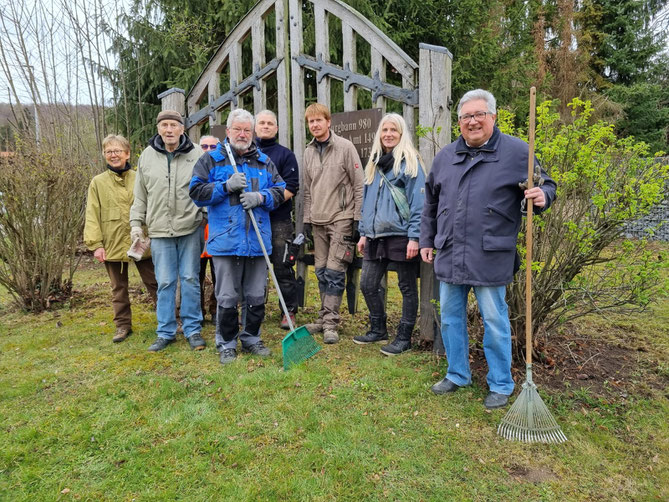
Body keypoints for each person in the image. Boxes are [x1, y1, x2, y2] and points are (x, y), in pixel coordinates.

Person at [419, 89, 557, 409]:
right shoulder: (445, 157)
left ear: (493, 117)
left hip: (490, 253)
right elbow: (429, 204)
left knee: (494, 320)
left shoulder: (517, 152)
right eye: (466, 116)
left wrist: (542, 196)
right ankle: (457, 374)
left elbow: (545, 184)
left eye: (479, 114)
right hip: (451, 251)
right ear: (459, 123)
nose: (473, 121)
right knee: (451, 318)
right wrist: (426, 239)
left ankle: (501, 382)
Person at [189, 109, 285, 365]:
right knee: (227, 297)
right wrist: (224, 187)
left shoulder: (264, 162)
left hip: (257, 240)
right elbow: (196, 192)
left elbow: (281, 190)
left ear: (252, 133)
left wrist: (261, 197)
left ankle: (252, 338)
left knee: (255, 295)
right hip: (226, 240)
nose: (242, 134)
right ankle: (227, 343)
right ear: (228, 131)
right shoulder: (212, 160)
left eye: (247, 130)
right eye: (237, 129)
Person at [130, 110, 206, 352]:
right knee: (165, 282)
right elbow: (140, 195)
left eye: (174, 125)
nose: (169, 129)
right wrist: (136, 224)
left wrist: (204, 216)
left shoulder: (197, 154)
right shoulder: (147, 157)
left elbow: (206, 187)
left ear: (182, 129)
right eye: (164, 125)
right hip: (160, 231)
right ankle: (165, 332)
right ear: (159, 128)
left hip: (190, 227)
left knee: (191, 279)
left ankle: (193, 330)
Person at [353, 113, 426, 355]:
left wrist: (415, 237)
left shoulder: (410, 163)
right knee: (367, 283)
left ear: (402, 133)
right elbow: (367, 202)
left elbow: (419, 204)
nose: (388, 134)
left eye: (393, 130)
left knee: (406, 286)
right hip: (375, 236)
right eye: (384, 130)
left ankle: (404, 337)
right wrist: (363, 233)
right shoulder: (374, 163)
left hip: (401, 235)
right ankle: (378, 328)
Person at [84, 134, 158, 343]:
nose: (113, 155)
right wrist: (96, 245)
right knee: (118, 289)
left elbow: (153, 206)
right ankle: (123, 325)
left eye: (117, 151)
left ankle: (168, 320)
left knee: (155, 283)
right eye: (109, 151)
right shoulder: (97, 183)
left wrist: (153, 234)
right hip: (112, 243)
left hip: (142, 241)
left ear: (127, 153)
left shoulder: (140, 177)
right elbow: (92, 214)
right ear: (104, 155)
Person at [302, 103, 364, 344]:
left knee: (335, 272)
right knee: (320, 272)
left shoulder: (345, 148)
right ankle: (323, 317)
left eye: (319, 120)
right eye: (311, 122)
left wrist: (357, 218)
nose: (315, 125)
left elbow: (359, 185)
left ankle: (331, 324)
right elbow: (307, 190)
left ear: (329, 122)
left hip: (341, 218)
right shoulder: (307, 152)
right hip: (317, 220)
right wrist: (306, 220)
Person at [254, 110, 300, 329]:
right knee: (255, 266)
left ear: (276, 128)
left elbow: (291, 187)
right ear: (255, 127)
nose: (265, 126)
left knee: (282, 266)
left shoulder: (285, 155)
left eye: (270, 123)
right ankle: (255, 309)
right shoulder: (247, 153)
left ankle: (288, 310)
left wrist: (265, 201)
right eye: (261, 123)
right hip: (253, 220)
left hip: (279, 220)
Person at [198, 135, 220, 324]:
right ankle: (197, 312)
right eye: (204, 145)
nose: (208, 148)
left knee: (219, 275)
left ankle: (216, 310)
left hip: (217, 230)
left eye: (213, 145)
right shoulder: (195, 169)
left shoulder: (223, 168)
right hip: (197, 229)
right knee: (195, 274)